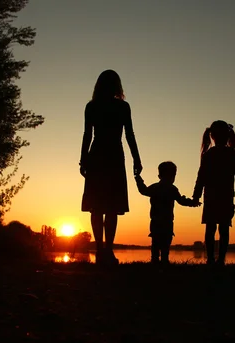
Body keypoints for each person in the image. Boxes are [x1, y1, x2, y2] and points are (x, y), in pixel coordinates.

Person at [80, 69, 143, 266]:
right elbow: (129, 135)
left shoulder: (94, 106)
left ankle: (102, 249)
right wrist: (137, 159)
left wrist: (83, 159)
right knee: (108, 207)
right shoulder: (120, 107)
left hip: (101, 154)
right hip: (111, 155)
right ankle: (105, 250)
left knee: (100, 207)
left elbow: (87, 136)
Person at [192, 120, 235, 266]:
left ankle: (211, 260)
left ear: (212, 136)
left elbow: (201, 177)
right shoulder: (231, 153)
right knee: (224, 228)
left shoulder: (208, 154)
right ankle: (220, 260)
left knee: (210, 228)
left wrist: (196, 196)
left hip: (211, 197)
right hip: (225, 196)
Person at [135, 162, 200, 264]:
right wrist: (192, 203)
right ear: (173, 176)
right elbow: (181, 201)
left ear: (159, 175)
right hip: (167, 221)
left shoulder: (155, 187)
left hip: (155, 221)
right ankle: (164, 260)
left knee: (155, 242)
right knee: (165, 242)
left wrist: (138, 179)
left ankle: (155, 260)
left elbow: (143, 190)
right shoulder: (172, 189)